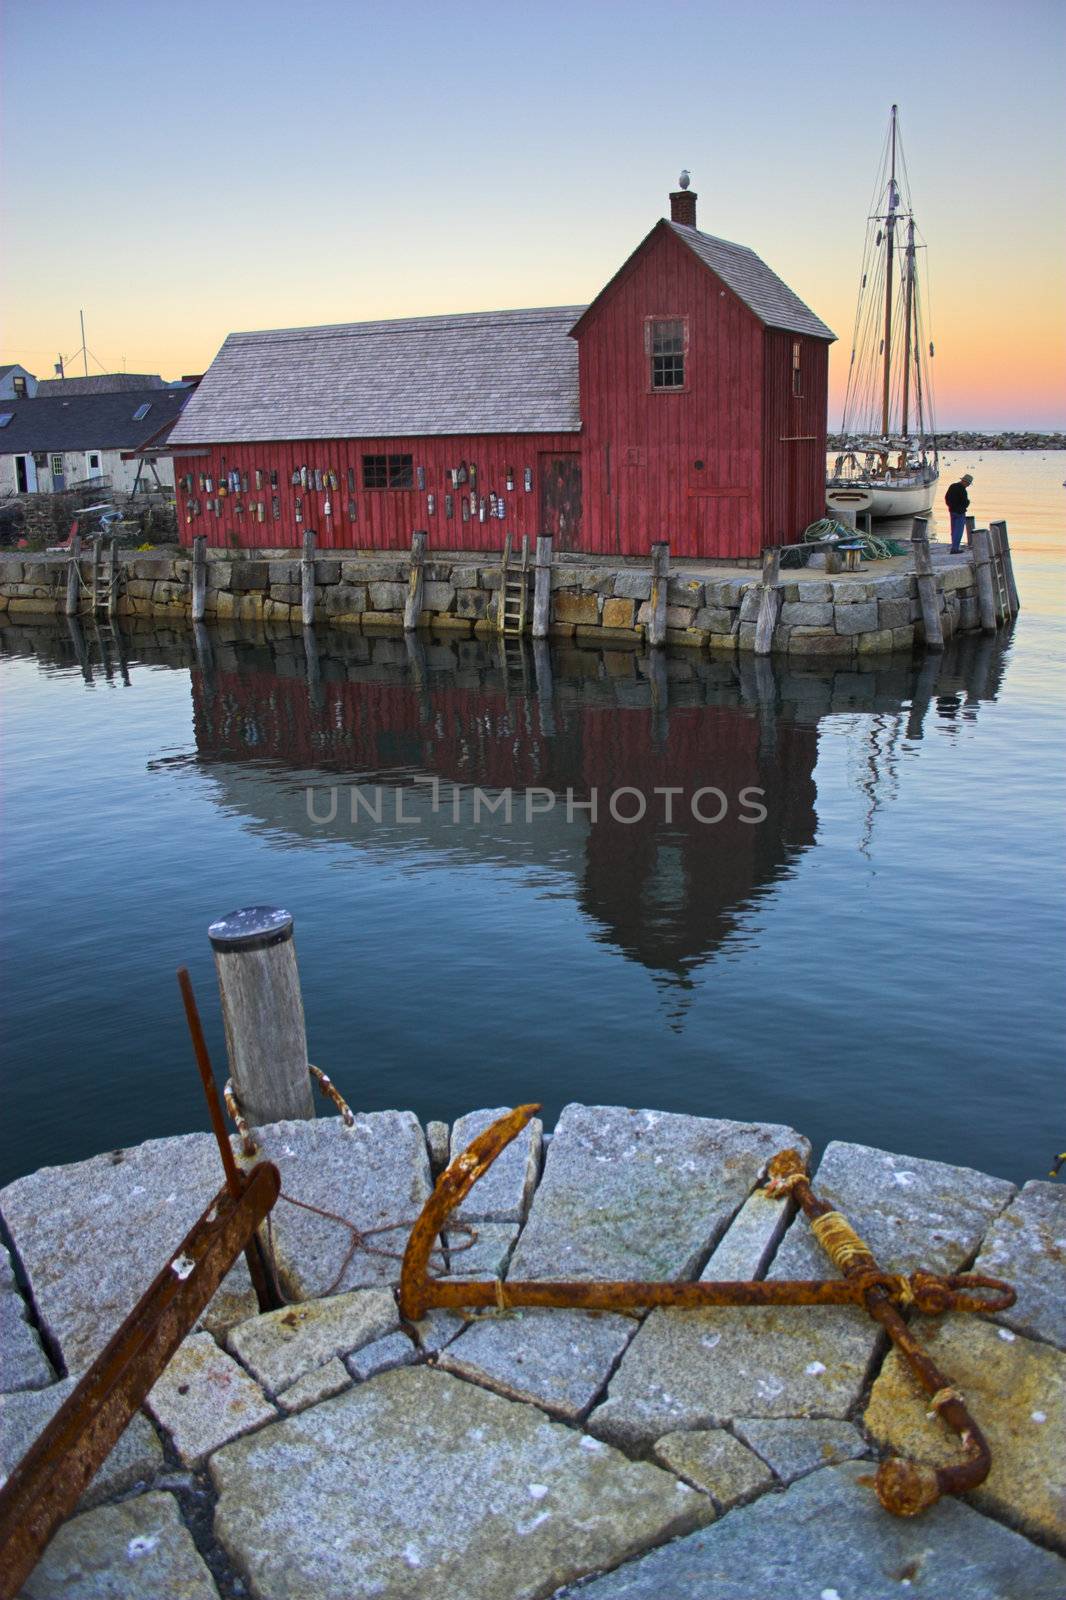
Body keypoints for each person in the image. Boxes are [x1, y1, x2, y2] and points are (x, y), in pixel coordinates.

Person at [944, 475, 973, 553]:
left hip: (952, 511)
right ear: (965, 482)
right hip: (960, 513)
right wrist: (968, 502)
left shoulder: (952, 486)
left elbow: (946, 498)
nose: (968, 485)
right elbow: (964, 502)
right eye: (968, 484)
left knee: (953, 530)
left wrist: (950, 506)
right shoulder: (962, 490)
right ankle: (955, 549)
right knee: (958, 531)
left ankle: (954, 546)